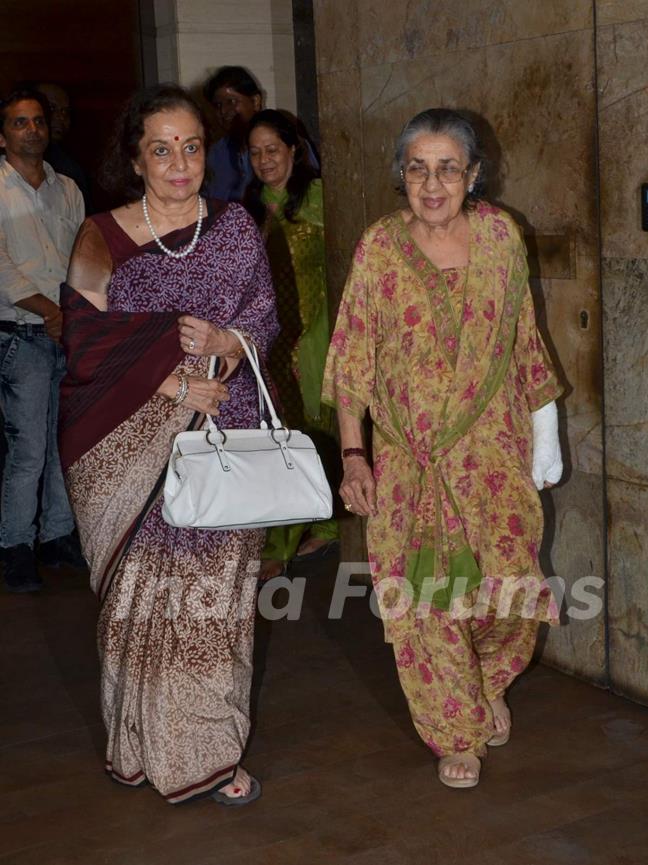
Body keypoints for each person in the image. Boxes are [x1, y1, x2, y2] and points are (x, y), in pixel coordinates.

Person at [322, 108, 564, 789]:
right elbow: (352, 363)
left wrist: (546, 436)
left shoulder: (499, 237)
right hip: (408, 462)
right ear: (402, 175)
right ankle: (456, 728)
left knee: (508, 594)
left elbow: (523, 341)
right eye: (418, 169)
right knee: (427, 597)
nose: (432, 184)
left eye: (447, 168)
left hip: (494, 452)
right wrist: (353, 454)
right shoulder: (379, 248)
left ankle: (487, 682)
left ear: (473, 175)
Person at [58, 84, 278, 805]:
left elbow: (264, 316)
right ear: (136, 157)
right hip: (141, 442)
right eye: (162, 149)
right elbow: (87, 347)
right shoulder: (101, 235)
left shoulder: (237, 225)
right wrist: (173, 386)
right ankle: (140, 742)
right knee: (142, 607)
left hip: (226, 434)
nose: (180, 163)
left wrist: (228, 342)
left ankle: (207, 750)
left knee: (214, 607)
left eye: (191, 147)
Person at [244, 109, 338, 580]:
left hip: (315, 329)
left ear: (294, 151)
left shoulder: (320, 198)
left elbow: (339, 268)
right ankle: (297, 528)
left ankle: (289, 542)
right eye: (256, 152)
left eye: (273, 150)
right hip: (267, 337)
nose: (265, 161)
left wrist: (318, 338)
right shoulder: (246, 208)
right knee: (277, 435)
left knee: (311, 430)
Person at [0, 89, 85, 593]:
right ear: (3, 133)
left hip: (66, 332)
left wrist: (75, 312)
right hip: (21, 335)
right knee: (27, 447)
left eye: (37, 121)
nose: (30, 129)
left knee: (62, 443)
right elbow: (2, 271)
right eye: (18, 122)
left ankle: (56, 535)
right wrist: (51, 312)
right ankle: (14, 546)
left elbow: (80, 257)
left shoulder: (67, 188)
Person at [203, 65, 319, 203]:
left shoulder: (287, 142)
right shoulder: (215, 155)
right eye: (218, 106)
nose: (223, 111)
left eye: (231, 102)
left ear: (256, 101)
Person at [34, 82, 93, 212]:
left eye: (65, 112)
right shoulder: (12, 166)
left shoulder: (70, 169)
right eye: (52, 108)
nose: (60, 118)